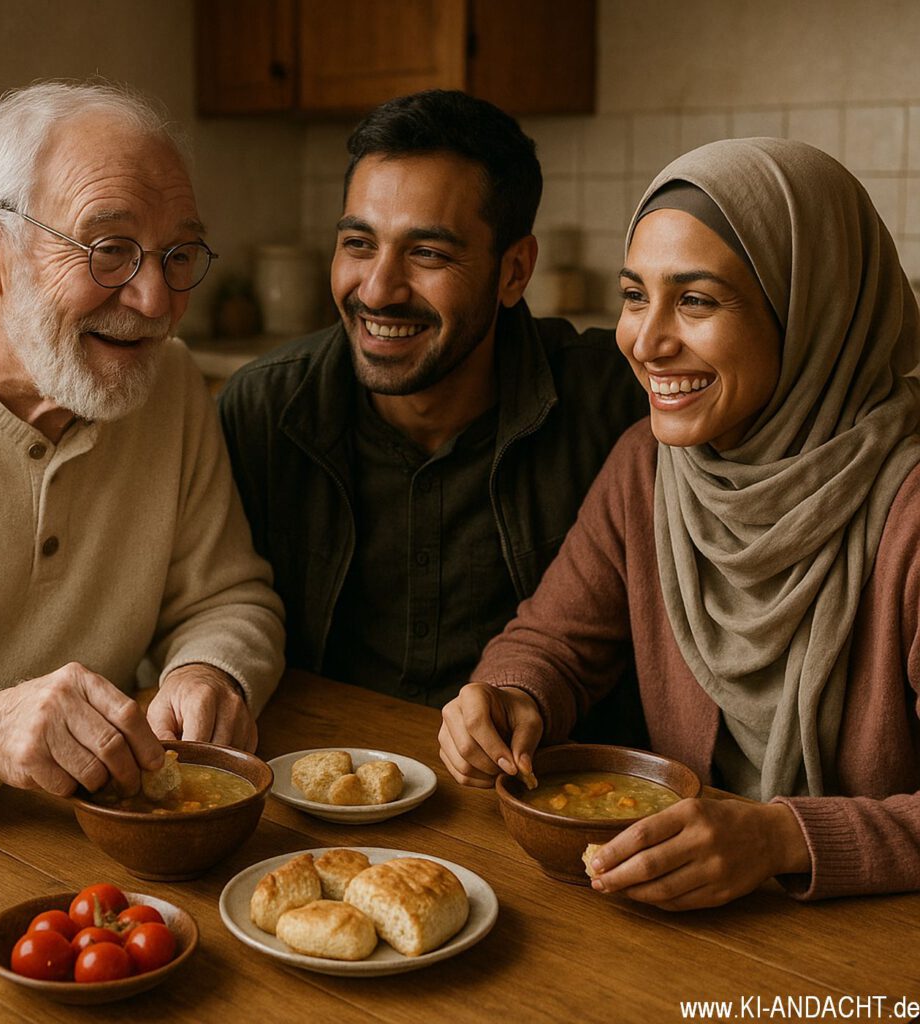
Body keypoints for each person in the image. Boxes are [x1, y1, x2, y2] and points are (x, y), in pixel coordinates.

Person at [439, 137, 920, 906]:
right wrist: (509, 696)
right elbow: (555, 642)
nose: (647, 340)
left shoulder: (911, 511)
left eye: (696, 300)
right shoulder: (652, 466)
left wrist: (779, 838)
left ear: (811, 310)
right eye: (635, 296)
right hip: (679, 916)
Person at [0, 81, 285, 809]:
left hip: (99, 839)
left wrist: (208, 674)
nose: (156, 302)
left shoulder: (166, 382)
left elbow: (229, 597)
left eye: (178, 255)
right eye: (109, 250)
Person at [219, 90, 645, 710]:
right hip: (313, 782)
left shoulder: (618, 407)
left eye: (427, 253)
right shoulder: (262, 409)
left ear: (514, 272)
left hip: (538, 788)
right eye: (359, 244)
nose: (379, 289)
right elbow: (211, 606)